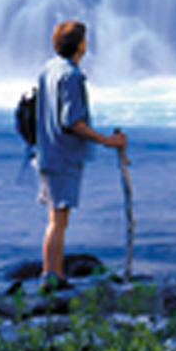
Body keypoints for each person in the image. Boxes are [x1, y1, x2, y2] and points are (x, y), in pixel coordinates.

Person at [32, 19, 127, 290]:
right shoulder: (72, 76)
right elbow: (71, 121)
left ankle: (52, 273)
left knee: (56, 217)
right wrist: (106, 141)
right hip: (63, 155)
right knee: (59, 218)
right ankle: (51, 277)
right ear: (81, 45)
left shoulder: (48, 69)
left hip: (46, 151)